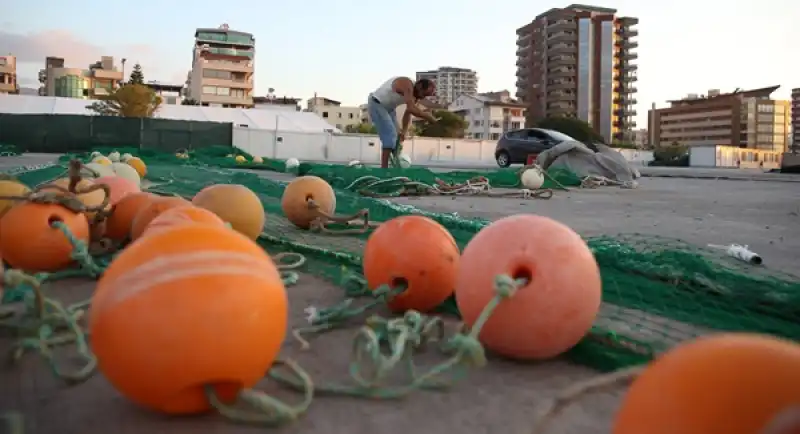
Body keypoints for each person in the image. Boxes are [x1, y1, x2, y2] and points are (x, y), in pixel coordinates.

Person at [367, 77, 438, 168]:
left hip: (389, 109)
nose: (423, 97)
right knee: (390, 135)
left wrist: (404, 131)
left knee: (397, 138)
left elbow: (408, 113)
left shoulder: (416, 95)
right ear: (419, 86)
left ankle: (396, 164)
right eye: (424, 94)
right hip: (376, 103)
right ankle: (384, 169)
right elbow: (412, 109)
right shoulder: (407, 85)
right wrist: (427, 116)